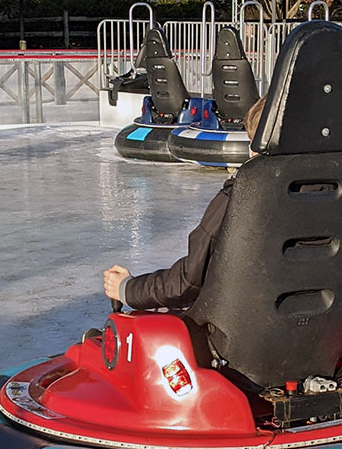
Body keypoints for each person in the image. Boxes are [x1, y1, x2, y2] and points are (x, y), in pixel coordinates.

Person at [104, 96, 265, 310]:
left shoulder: (237, 199)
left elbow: (188, 281)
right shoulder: (311, 196)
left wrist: (128, 288)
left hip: (237, 323)